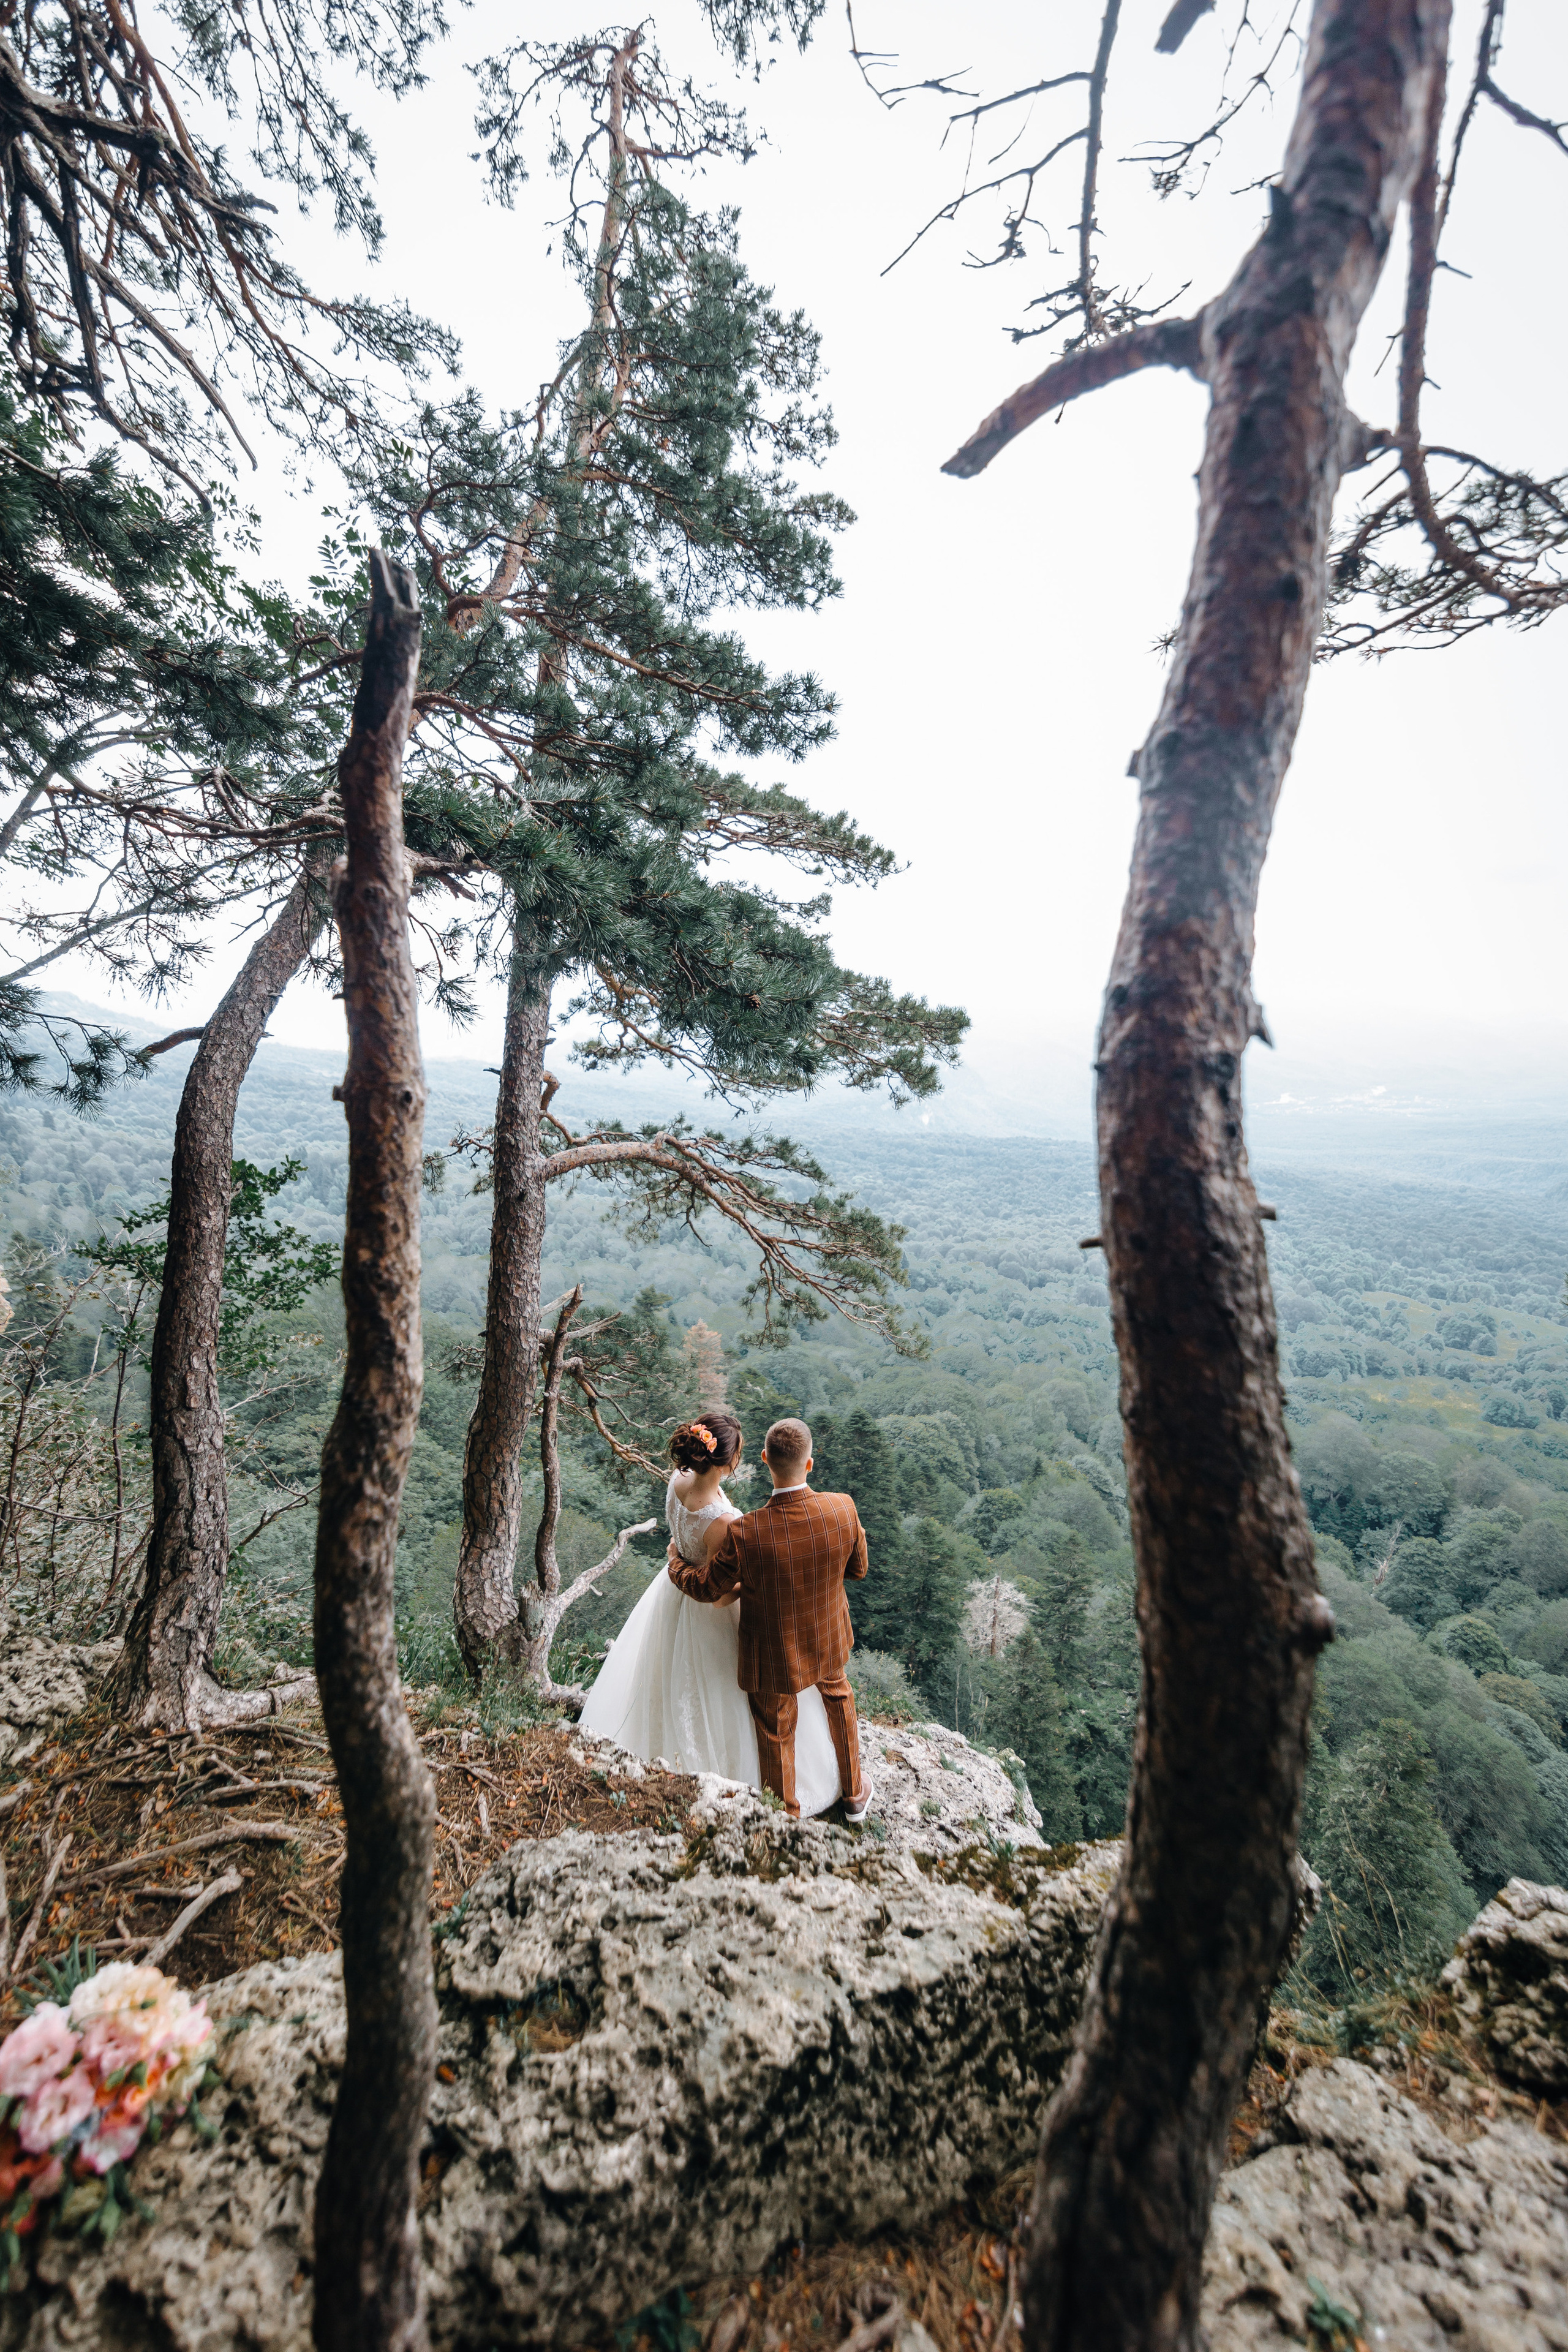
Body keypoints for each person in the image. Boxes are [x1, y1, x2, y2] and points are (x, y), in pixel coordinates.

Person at [577, 1411, 845, 1814]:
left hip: (672, 1595)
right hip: (710, 1612)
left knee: (667, 1684)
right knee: (730, 1699)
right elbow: (720, 1597)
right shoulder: (725, 1523)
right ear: (730, 1463)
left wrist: (677, 1562)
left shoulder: (678, 1481)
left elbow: (678, 1541)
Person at [667, 1416, 872, 1822]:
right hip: (827, 1635)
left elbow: (709, 1589)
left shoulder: (747, 1532)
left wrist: (674, 1564)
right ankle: (854, 1795)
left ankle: (787, 1814)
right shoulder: (843, 1508)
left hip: (773, 1648)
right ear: (809, 1464)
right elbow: (858, 1569)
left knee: (776, 1731)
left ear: (764, 1460)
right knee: (839, 1700)